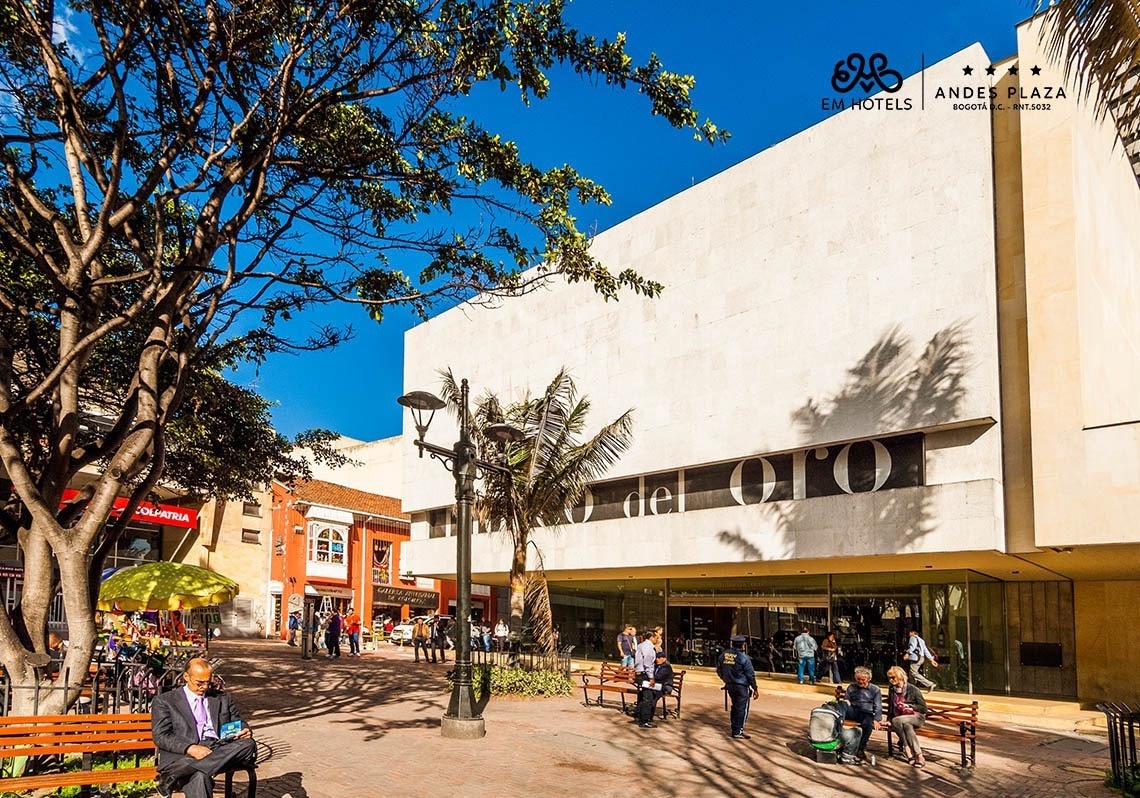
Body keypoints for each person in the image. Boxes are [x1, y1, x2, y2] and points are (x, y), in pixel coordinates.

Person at [151, 657, 257, 798]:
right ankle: (185, 769)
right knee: (200, 776)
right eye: (199, 683)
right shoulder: (165, 701)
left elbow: (237, 720)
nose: (205, 687)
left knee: (248, 745)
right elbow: (161, 736)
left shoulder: (222, 698)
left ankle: (173, 775)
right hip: (184, 753)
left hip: (219, 746)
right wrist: (191, 748)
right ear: (186, 677)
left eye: (208, 682)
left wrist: (244, 729)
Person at [717, 634, 759, 740]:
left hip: (730, 685)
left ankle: (734, 727)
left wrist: (725, 679)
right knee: (741, 708)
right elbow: (750, 674)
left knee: (735, 706)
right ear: (743, 645)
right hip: (741, 686)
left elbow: (719, 670)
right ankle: (738, 730)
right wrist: (755, 688)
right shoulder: (744, 658)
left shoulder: (724, 655)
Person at [886, 665, 928, 767]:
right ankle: (919, 756)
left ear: (900, 676)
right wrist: (888, 719)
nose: (891, 680)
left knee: (896, 721)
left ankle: (906, 749)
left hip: (916, 717)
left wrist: (909, 706)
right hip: (902, 720)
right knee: (907, 727)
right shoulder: (892, 690)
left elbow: (923, 708)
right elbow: (891, 706)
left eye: (893, 677)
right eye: (890, 678)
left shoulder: (913, 689)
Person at [809, 685, 864, 765]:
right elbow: (839, 730)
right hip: (830, 743)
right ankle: (847, 757)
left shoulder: (816, 710)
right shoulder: (836, 713)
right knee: (857, 731)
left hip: (813, 743)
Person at [844, 666, 884, 760]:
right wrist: (846, 702)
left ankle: (860, 748)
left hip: (866, 712)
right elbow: (846, 699)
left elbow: (878, 706)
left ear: (868, 679)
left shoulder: (875, 689)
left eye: (863, 680)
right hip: (853, 710)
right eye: (858, 679)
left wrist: (877, 719)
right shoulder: (852, 687)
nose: (861, 682)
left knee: (868, 725)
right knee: (838, 714)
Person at [633, 629, 661, 729]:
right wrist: (651, 677)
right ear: (651, 637)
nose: (658, 639)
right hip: (645, 674)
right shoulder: (648, 647)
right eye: (657, 637)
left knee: (643, 696)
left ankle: (638, 715)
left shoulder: (641, 645)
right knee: (648, 698)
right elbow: (648, 664)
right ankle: (644, 720)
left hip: (639, 673)